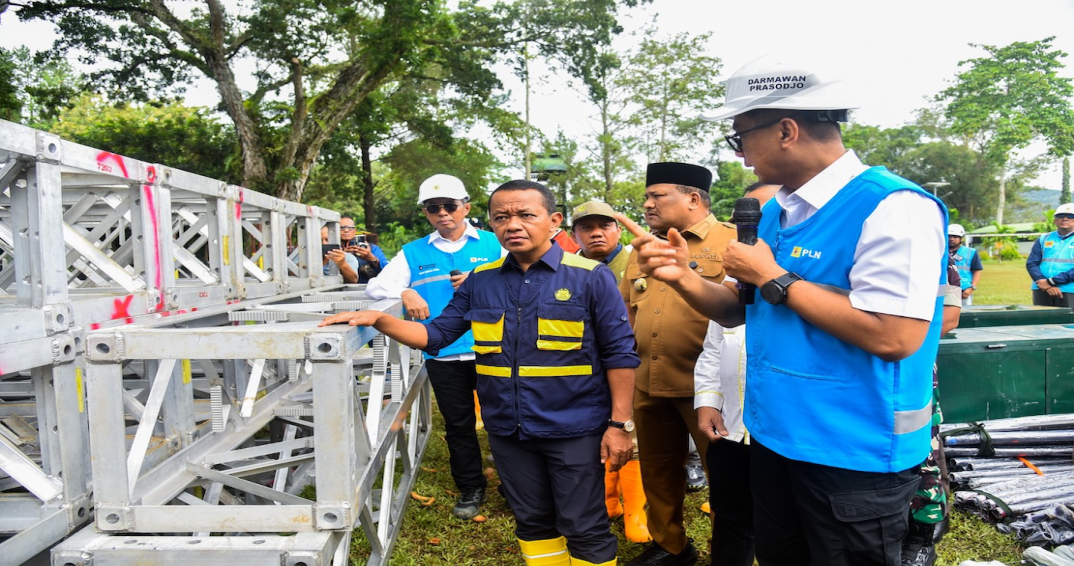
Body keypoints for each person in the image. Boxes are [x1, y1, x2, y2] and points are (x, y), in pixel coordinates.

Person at [620, 57, 949, 565]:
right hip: (775, 438)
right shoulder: (775, 211)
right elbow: (736, 309)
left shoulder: (893, 207)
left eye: (741, 136)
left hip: (851, 452)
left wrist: (774, 275)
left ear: (787, 130)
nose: (742, 154)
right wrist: (681, 276)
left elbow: (895, 337)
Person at [322, 180, 639, 566]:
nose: (513, 225)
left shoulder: (589, 276)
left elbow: (620, 353)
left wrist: (620, 423)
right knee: (533, 521)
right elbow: (435, 334)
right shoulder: (481, 281)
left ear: (553, 221)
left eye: (525, 215)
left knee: (583, 523)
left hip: (573, 428)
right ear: (491, 222)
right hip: (509, 430)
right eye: (502, 217)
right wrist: (378, 320)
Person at [365, 174, 504, 519]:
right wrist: (404, 291)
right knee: (458, 424)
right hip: (444, 351)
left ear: (466, 208)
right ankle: (471, 487)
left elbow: (525, 278)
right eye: (433, 208)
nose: (443, 213)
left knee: (505, 419)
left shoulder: (493, 244)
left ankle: (516, 486)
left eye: (450, 206)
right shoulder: (413, 252)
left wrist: (483, 280)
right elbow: (375, 288)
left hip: (494, 347)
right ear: (426, 213)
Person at [622, 162, 736, 566]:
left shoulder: (732, 242)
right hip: (649, 380)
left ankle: (731, 550)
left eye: (658, 195)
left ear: (693, 198)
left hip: (710, 389)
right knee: (657, 471)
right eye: (647, 196)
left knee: (725, 477)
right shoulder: (644, 247)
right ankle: (670, 546)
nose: (647, 204)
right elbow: (628, 315)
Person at [693, 182, 779, 566]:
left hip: (783, 434)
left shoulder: (808, 283)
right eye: (750, 219)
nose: (757, 227)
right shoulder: (731, 285)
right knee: (730, 517)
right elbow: (713, 348)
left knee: (782, 525)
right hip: (732, 427)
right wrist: (709, 401)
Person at [570, 200, 649, 544]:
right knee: (590, 432)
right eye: (587, 228)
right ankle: (606, 502)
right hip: (580, 366)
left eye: (604, 225)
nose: (596, 233)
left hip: (630, 361)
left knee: (630, 432)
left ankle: (635, 510)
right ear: (574, 234)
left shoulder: (637, 259)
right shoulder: (566, 266)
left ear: (618, 229)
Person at [901, 258, 963, 566]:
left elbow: (949, 318)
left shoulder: (935, 254)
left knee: (922, 450)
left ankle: (922, 532)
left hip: (911, 369)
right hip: (850, 376)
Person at [1026, 203, 1074, 308]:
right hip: (1041, 288)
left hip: (1069, 290)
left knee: (1068, 323)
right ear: (1055, 220)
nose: (1065, 219)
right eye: (1060, 216)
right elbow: (1032, 263)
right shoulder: (1044, 238)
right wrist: (1044, 284)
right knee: (1042, 322)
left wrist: (1051, 282)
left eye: (1070, 216)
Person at [339, 214, 389, 283]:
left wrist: (371, 258)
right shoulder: (334, 249)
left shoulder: (371, 248)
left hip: (365, 288)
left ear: (355, 230)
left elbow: (388, 270)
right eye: (342, 228)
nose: (346, 230)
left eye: (350, 228)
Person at [947, 224, 982, 305]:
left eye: (955, 237)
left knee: (964, 315)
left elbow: (977, 272)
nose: (951, 239)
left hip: (963, 291)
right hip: (943, 290)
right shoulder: (940, 251)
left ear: (961, 238)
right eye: (949, 236)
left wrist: (972, 288)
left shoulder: (970, 252)